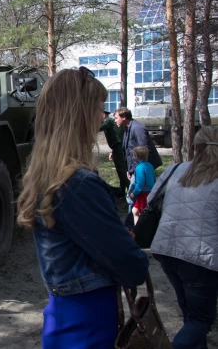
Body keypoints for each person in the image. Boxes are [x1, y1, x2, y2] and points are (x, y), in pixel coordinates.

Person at [16, 67, 149, 348]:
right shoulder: (78, 185)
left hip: (66, 320)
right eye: (99, 108)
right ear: (78, 115)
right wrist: (127, 246)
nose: (102, 118)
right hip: (88, 326)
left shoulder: (49, 179)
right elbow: (132, 268)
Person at [150, 126, 218, 348]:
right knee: (200, 319)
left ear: (195, 147)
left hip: (167, 248)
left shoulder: (176, 169)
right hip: (201, 257)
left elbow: (152, 199)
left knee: (191, 316)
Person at [113, 107, 162, 177]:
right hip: (135, 170)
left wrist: (138, 170)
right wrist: (129, 170)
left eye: (116, 118)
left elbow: (144, 150)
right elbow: (128, 152)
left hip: (142, 170)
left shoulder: (137, 128)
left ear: (123, 117)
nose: (115, 121)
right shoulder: (127, 129)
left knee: (139, 188)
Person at [100, 110, 129, 196]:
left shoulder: (108, 121)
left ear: (104, 115)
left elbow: (98, 128)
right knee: (120, 170)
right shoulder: (109, 121)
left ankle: (129, 189)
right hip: (117, 147)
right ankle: (122, 189)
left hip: (118, 147)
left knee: (121, 169)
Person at [128, 146, 155, 224]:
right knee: (135, 210)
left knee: (139, 213)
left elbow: (140, 183)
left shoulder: (139, 168)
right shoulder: (150, 165)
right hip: (150, 191)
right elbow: (153, 178)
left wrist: (134, 193)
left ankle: (138, 231)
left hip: (143, 193)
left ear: (136, 156)